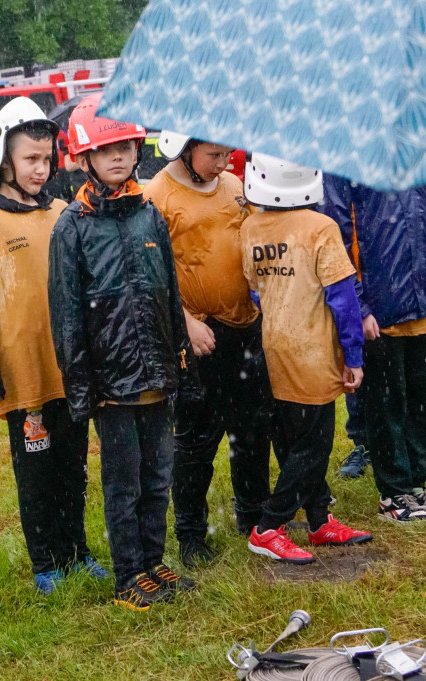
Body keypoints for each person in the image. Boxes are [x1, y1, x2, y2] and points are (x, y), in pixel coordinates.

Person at [48, 93, 197, 612]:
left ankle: (154, 561)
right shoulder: (71, 227)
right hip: (112, 387)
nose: (118, 156)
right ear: (84, 158)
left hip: (158, 376)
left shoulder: (150, 215)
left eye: (126, 146)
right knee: (123, 483)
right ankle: (128, 573)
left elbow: (170, 296)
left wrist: (180, 361)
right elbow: (66, 317)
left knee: (159, 475)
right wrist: (84, 391)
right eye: (106, 148)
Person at [0, 97, 106, 596]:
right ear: (2, 159)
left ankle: (77, 551)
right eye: (30, 160)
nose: (41, 169)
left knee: (74, 467)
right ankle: (45, 561)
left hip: (69, 370)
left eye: (47, 159)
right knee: (36, 472)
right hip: (24, 377)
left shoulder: (63, 213)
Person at [143, 131, 273, 566]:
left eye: (226, 153)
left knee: (253, 428)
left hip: (246, 326)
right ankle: (192, 534)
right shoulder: (157, 195)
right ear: (184, 148)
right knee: (197, 439)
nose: (223, 162)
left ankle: (254, 515)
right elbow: (151, 274)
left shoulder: (236, 187)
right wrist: (186, 323)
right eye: (213, 154)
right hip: (199, 335)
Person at [239, 153, 371, 564]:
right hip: (313, 350)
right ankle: (268, 526)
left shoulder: (251, 226)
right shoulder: (321, 227)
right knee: (313, 446)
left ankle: (318, 519)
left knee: (295, 438)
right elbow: (343, 298)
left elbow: (255, 288)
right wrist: (353, 355)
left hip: (273, 345)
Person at [321, 176, 426, 522]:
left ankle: (418, 483)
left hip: (422, 303)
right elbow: (338, 240)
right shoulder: (345, 166)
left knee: (422, 402)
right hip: (378, 311)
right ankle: (394, 491)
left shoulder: (418, 157)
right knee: (386, 405)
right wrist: (360, 307)